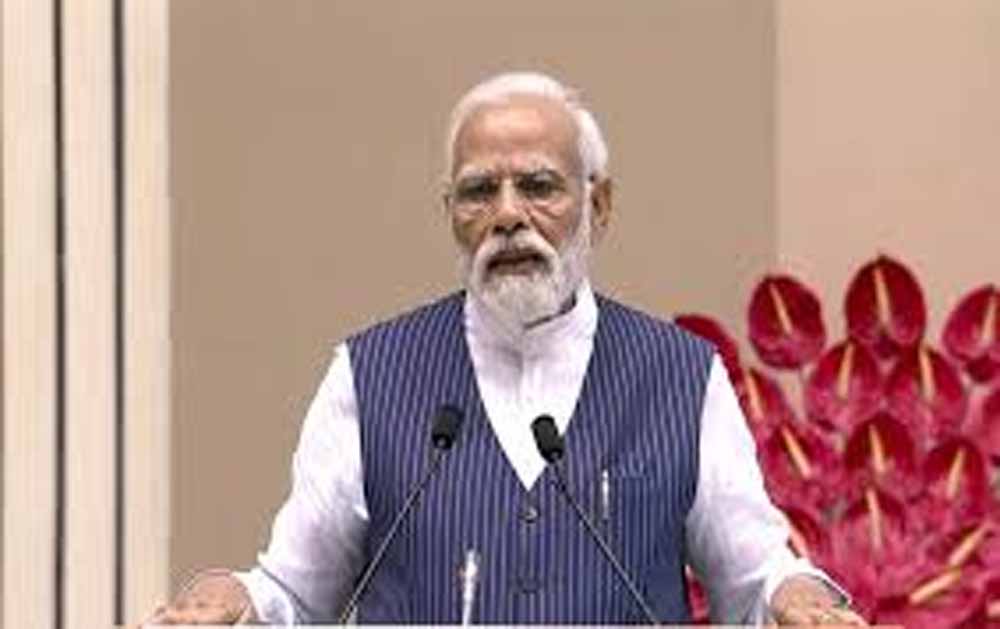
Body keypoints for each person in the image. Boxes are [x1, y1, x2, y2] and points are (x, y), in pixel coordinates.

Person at [145, 72, 868, 626]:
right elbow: (295, 592)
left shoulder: (680, 375)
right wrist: (229, 602)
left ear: (598, 205)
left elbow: (754, 576)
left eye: (539, 186)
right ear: (450, 214)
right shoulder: (369, 375)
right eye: (478, 192)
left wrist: (797, 599)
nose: (508, 215)